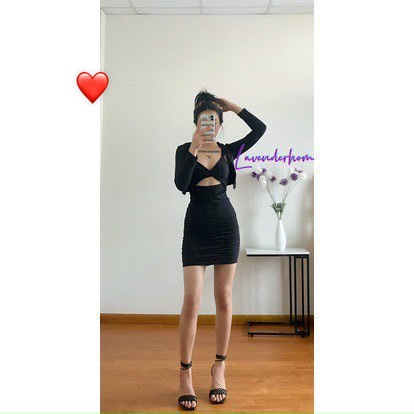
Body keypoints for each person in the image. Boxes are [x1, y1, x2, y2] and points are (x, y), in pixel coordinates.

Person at [174, 89, 267, 410]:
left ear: (220, 123)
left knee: (224, 298)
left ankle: (219, 368)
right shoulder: (184, 151)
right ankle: (185, 373)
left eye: (214, 120)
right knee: (192, 300)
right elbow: (181, 184)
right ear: (196, 123)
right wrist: (193, 147)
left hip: (226, 228)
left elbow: (259, 129)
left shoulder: (229, 151)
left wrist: (232, 105)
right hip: (196, 230)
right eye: (204, 120)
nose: (209, 125)